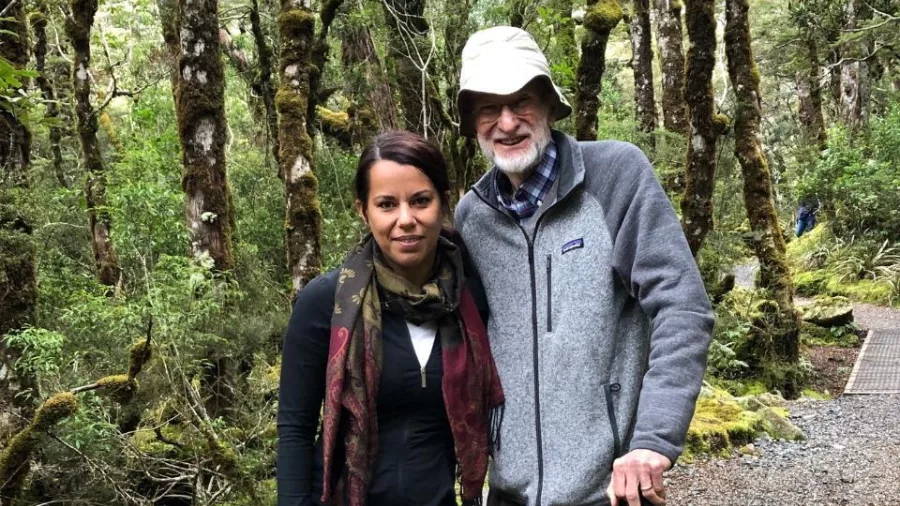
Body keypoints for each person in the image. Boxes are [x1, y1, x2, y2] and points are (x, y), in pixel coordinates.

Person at [453, 26, 714, 506]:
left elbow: (683, 306)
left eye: (522, 101)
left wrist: (652, 441)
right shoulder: (471, 218)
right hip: (508, 492)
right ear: (472, 121)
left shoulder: (616, 176)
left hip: (611, 491)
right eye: (489, 107)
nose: (507, 122)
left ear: (551, 106)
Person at [277, 131, 504, 506]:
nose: (406, 219)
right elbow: (295, 430)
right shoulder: (327, 303)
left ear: (443, 202)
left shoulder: (470, 300)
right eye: (386, 204)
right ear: (363, 211)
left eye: (420, 201)